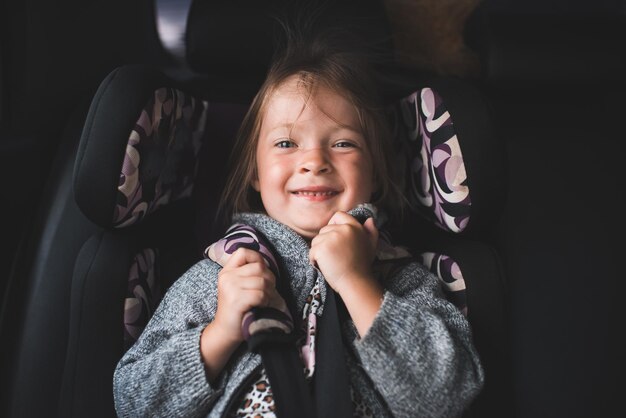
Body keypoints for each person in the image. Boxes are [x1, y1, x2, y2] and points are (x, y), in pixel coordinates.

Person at [113, 26, 484, 418]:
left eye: (343, 143)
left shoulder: (402, 278)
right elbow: (133, 401)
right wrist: (220, 332)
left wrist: (358, 283)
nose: (314, 161)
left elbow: (448, 395)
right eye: (286, 143)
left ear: (374, 174)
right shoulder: (225, 275)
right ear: (255, 173)